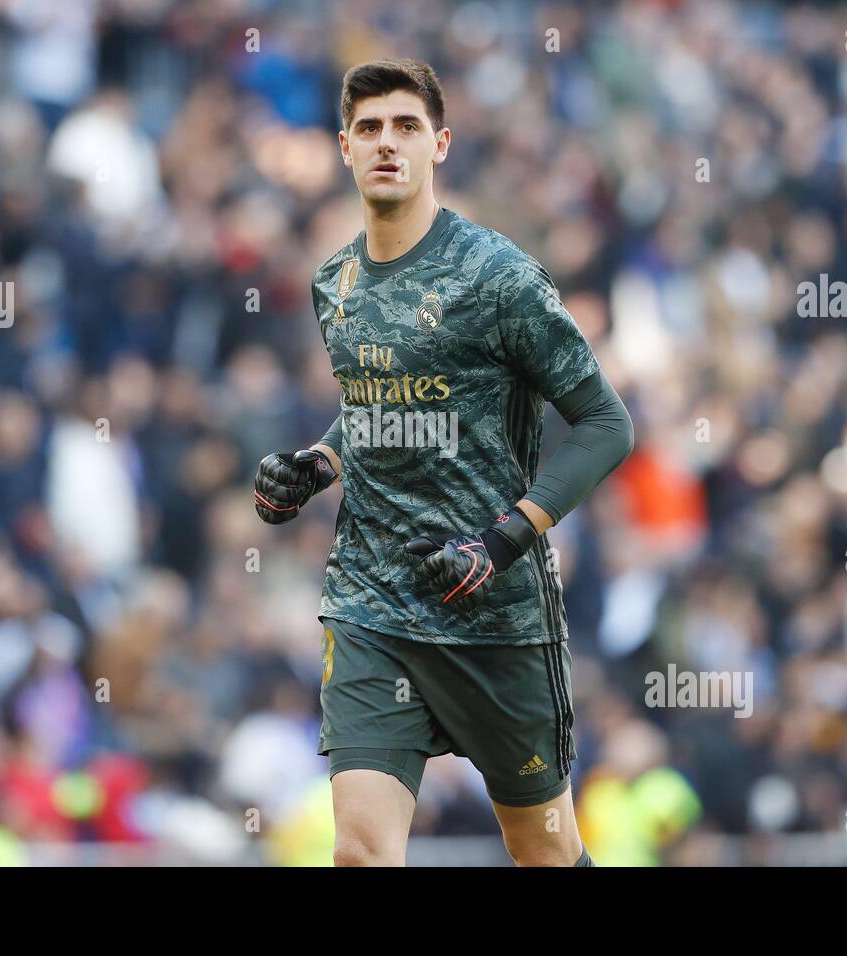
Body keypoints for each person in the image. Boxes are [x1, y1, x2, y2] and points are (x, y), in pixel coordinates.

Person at [253, 58, 634, 866]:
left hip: (495, 618)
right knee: (359, 851)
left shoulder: (500, 278)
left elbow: (605, 423)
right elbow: (375, 405)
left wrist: (499, 543)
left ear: (440, 145)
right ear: (344, 150)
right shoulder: (335, 281)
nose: (386, 143)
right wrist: (316, 465)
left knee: (543, 850)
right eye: (368, 129)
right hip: (372, 603)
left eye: (406, 127)